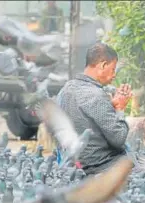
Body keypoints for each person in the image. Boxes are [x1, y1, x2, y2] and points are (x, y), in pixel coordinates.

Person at [56, 42, 132, 175]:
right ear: (103, 65)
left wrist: (110, 105)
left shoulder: (65, 90)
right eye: (113, 69)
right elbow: (119, 138)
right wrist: (120, 108)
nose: (114, 75)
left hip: (71, 163)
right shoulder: (95, 95)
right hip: (98, 166)